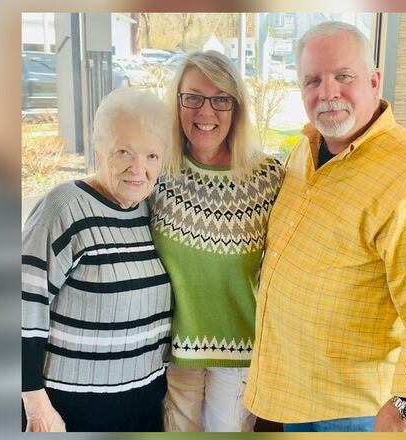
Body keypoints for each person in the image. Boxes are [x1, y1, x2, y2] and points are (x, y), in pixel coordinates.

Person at [243, 21, 406, 432]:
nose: (327, 92)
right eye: (313, 80)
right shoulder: (308, 145)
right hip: (295, 392)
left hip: (356, 411)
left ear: (373, 80)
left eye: (343, 76)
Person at [21, 87, 173, 432]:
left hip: (144, 405)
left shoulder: (149, 212)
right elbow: (22, 307)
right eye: (124, 152)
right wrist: (36, 405)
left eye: (152, 156)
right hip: (71, 409)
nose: (139, 169)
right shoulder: (63, 208)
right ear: (99, 151)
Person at [148, 50, 285, 432]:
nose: (205, 112)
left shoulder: (268, 177)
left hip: (242, 349)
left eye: (220, 99)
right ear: (176, 103)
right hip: (173, 350)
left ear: (236, 108)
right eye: (192, 97)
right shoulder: (159, 171)